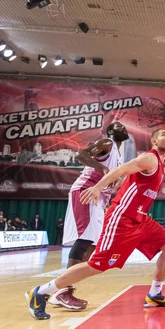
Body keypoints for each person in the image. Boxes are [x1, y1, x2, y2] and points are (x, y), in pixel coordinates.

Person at [25, 129, 165, 320]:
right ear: (154, 141)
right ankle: (41, 292)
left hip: (140, 219)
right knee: (96, 265)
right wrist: (98, 186)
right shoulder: (151, 158)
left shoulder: (162, 165)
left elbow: (129, 179)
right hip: (122, 218)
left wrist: (120, 182)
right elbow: (122, 169)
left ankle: (155, 295)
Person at [51, 121, 128, 311]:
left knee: (93, 244)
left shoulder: (119, 153)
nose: (124, 130)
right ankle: (62, 291)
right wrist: (103, 169)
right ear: (111, 131)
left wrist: (109, 193)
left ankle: (62, 287)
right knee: (84, 240)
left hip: (98, 197)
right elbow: (80, 154)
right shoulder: (107, 142)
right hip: (86, 191)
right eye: (120, 127)